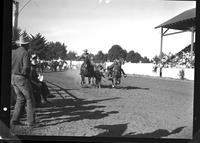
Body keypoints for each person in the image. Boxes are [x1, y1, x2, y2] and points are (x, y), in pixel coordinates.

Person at [11, 36, 36, 127]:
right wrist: (27, 76)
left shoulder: (13, 52)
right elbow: (26, 68)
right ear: (25, 45)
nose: (29, 45)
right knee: (30, 100)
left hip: (13, 77)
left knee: (20, 99)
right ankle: (31, 122)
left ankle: (15, 119)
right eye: (28, 44)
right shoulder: (25, 52)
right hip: (21, 78)